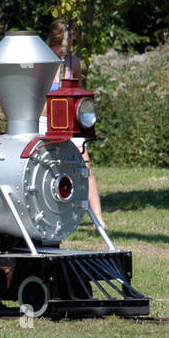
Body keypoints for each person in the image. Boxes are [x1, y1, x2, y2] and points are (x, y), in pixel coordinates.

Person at [46, 19, 106, 229]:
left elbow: (77, 93)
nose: (68, 48)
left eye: (72, 43)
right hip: (45, 123)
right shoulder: (43, 62)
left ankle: (99, 220)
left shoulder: (73, 62)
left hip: (69, 124)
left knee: (85, 167)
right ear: (55, 41)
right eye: (65, 43)